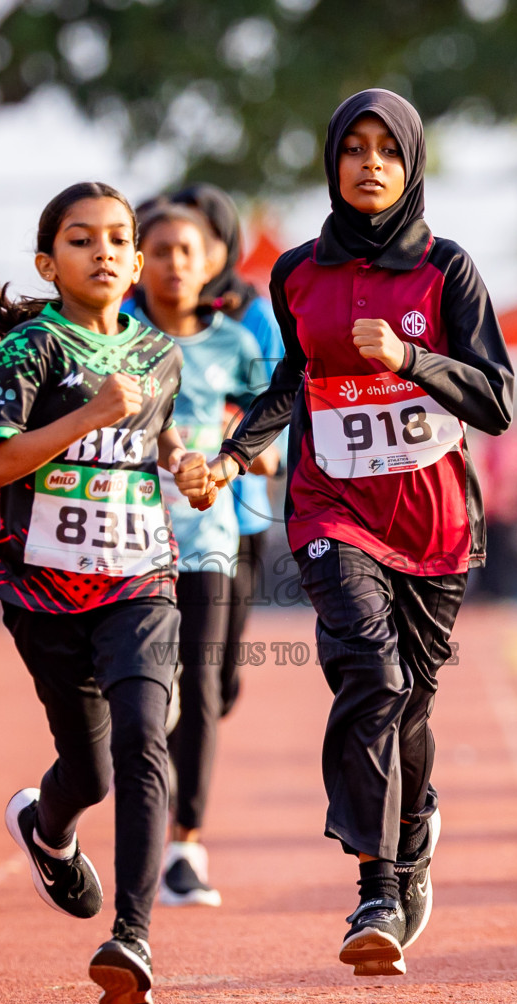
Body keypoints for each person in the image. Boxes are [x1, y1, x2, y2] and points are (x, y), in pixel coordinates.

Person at [195, 89, 514, 977]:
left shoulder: (448, 271)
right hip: (332, 509)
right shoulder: (297, 273)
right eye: (353, 149)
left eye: (387, 151)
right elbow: (291, 382)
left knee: (411, 695)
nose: (369, 164)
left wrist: (410, 359)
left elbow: (497, 401)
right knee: (369, 674)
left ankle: (413, 834)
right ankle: (377, 887)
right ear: (331, 162)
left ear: (411, 167)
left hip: (436, 523)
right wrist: (234, 453)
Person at [0, 180, 212, 1004]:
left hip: (141, 579)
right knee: (91, 770)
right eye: (81, 240)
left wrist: (187, 465)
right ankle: (48, 828)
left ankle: (133, 938)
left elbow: (163, 436)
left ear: (137, 261)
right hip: (43, 591)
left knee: (146, 737)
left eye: (117, 238)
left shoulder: (159, 353)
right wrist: (89, 417)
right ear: (48, 261)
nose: (103, 251)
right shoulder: (23, 353)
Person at [127, 199, 268, 907]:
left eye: (187, 251)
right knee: (151, 697)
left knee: (210, 686)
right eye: (159, 251)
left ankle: (187, 842)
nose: (174, 264)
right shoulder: (115, 340)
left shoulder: (234, 342)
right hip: (129, 547)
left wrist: (249, 459)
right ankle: (166, 837)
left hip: (212, 542)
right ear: (136, 262)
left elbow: (268, 419)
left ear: (210, 261)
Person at [167, 184, 287, 720]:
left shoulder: (252, 316)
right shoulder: (135, 313)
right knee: (164, 664)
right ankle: (165, 765)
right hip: (158, 513)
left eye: (201, 238)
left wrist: (221, 432)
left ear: (225, 244)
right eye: (170, 239)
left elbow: (273, 402)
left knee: (219, 673)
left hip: (236, 512)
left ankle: (196, 727)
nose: (186, 251)